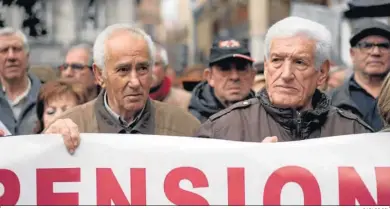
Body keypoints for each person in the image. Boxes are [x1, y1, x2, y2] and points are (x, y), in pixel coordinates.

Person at [194, 16, 373, 142]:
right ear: (265, 67)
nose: (286, 74)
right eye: (277, 60)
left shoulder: (353, 133)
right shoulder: (219, 130)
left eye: (300, 62)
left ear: (322, 73)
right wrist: (249, 164)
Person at [43, 24, 201, 153]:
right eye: (123, 70)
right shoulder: (69, 127)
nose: (135, 81)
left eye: (142, 68)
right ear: (99, 75)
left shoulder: (186, 128)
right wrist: (50, 142)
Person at [330, 19, 390, 131]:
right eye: (367, 46)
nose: (376, 52)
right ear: (352, 54)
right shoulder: (329, 102)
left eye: (383, 45)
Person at [188, 38, 256, 123]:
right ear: (209, 76)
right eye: (224, 69)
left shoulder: (265, 116)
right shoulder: (192, 121)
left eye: (241, 68)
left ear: (253, 76)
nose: (234, 77)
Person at [0, 27, 41, 135]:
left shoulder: (47, 97)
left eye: (17, 49)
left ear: (27, 57)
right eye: (4, 50)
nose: (11, 56)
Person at [149, 42, 192, 110]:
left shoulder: (185, 100)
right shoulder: (130, 100)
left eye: (155, 64)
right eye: (144, 65)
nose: (149, 70)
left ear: (165, 68)